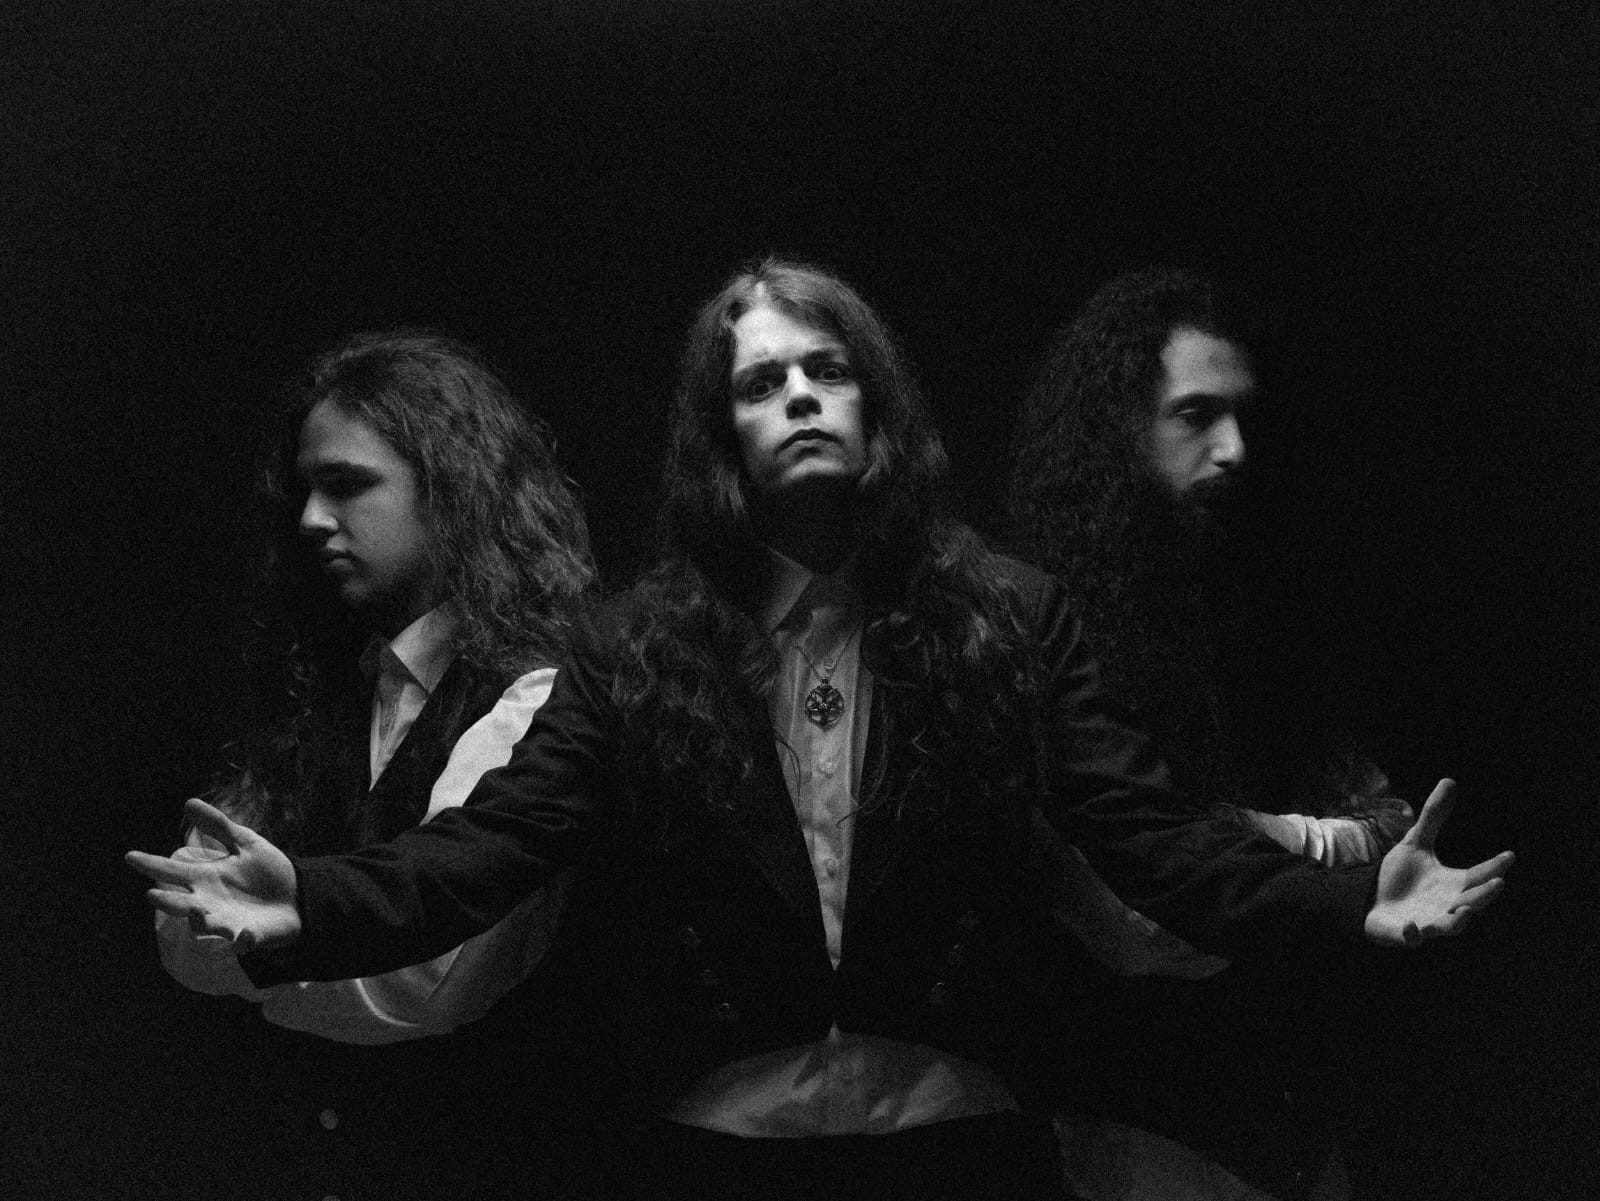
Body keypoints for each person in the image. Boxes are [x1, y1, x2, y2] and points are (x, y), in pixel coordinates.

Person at [130, 260, 1510, 1201]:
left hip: (958, 1153)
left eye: (827, 370)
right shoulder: (633, 648)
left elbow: (1152, 841)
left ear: (875, 404)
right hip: (718, 1163)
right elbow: (478, 855)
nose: (797, 395)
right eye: (759, 381)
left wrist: (1349, 901)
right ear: (718, 437)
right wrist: (307, 906)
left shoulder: (1006, 617)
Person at [150, 329, 596, 1200]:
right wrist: (248, 942)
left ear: (454, 490)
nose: (312, 519)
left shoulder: (542, 692)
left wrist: (262, 950)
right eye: (306, 491)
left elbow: (427, 983)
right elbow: (178, 926)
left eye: (348, 485)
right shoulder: (319, 688)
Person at [1008, 267, 1425, 1200]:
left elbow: (1390, 814)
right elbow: (1132, 914)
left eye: (1241, 416)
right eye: (1196, 415)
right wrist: (1306, 851)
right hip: (1140, 1110)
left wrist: (1253, 836)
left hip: (1293, 1097)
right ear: (1118, 426)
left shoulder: (1247, 609)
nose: (1233, 449)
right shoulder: (1046, 620)